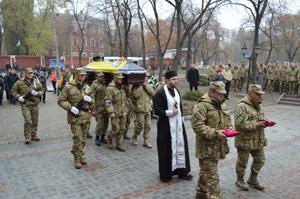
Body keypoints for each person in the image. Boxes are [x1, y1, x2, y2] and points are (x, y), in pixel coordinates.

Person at [191, 81, 231, 199]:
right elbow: (197, 126)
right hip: (206, 148)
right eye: (220, 94)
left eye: (223, 94)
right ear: (212, 92)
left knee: (206, 171)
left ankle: (201, 192)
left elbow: (226, 120)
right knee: (213, 177)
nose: (222, 96)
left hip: (218, 146)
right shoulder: (202, 105)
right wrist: (215, 133)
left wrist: (229, 128)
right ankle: (215, 196)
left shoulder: (221, 104)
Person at [152, 70, 192, 183]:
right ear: (167, 80)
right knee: (166, 150)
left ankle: (182, 172)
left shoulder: (176, 91)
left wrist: (181, 119)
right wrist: (170, 112)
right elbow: (156, 110)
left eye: (176, 79)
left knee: (181, 148)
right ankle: (166, 174)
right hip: (166, 127)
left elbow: (180, 107)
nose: (176, 81)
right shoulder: (160, 93)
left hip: (178, 125)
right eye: (173, 79)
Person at [58, 68, 95, 169]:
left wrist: (91, 101)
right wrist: (71, 108)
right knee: (77, 138)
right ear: (76, 75)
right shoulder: (68, 86)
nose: (83, 77)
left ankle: (81, 155)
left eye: (84, 75)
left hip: (86, 117)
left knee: (83, 139)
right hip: (75, 117)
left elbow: (93, 101)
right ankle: (77, 158)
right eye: (81, 75)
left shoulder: (87, 87)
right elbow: (61, 100)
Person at [234, 84, 268, 191]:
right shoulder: (242, 106)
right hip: (245, 140)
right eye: (257, 94)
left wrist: (264, 123)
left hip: (257, 139)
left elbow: (259, 120)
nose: (260, 96)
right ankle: (240, 180)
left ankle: (253, 179)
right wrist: (257, 124)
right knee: (242, 161)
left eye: (260, 94)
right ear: (250, 93)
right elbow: (240, 124)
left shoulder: (259, 105)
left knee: (260, 160)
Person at [12, 68, 43, 144]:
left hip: (34, 104)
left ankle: (33, 135)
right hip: (25, 105)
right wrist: (19, 97)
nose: (30, 74)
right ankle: (27, 137)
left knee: (35, 121)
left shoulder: (36, 81)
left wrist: (37, 93)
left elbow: (42, 90)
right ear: (25, 74)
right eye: (28, 73)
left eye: (31, 73)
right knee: (28, 120)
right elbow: (13, 91)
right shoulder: (19, 82)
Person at [105, 72, 128, 152]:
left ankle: (119, 144)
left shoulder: (122, 87)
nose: (121, 79)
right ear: (114, 78)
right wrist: (111, 112)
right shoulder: (110, 88)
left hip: (123, 111)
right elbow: (108, 101)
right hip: (115, 112)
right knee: (116, 129)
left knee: (122, 129)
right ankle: (109, 137)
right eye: (119, 78)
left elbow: (126, 97)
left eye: (121, 78)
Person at [131, 72, 155, 148]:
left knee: (148, 126)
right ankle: (135, 136)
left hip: (148, 108)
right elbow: (135, 95)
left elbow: (153, 93)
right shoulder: (136, 86)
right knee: (140, 125)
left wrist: (146, 86)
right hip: (139, 109)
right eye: (145, 77)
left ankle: (146, 141)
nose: (147, 78)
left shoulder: (148, 85)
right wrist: (140, 86)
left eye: (148, 77)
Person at [90, 72, 109, 146]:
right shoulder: (94, 85)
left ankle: (103, 137)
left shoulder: (105, 84)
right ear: (96, 77)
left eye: (102, 76)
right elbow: (91, 98)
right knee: (100, 124)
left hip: (106, 107)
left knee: (106, 124)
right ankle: (97, 138)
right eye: (99, 76)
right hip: (98, 108)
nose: (101, 77)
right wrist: (93, 109)